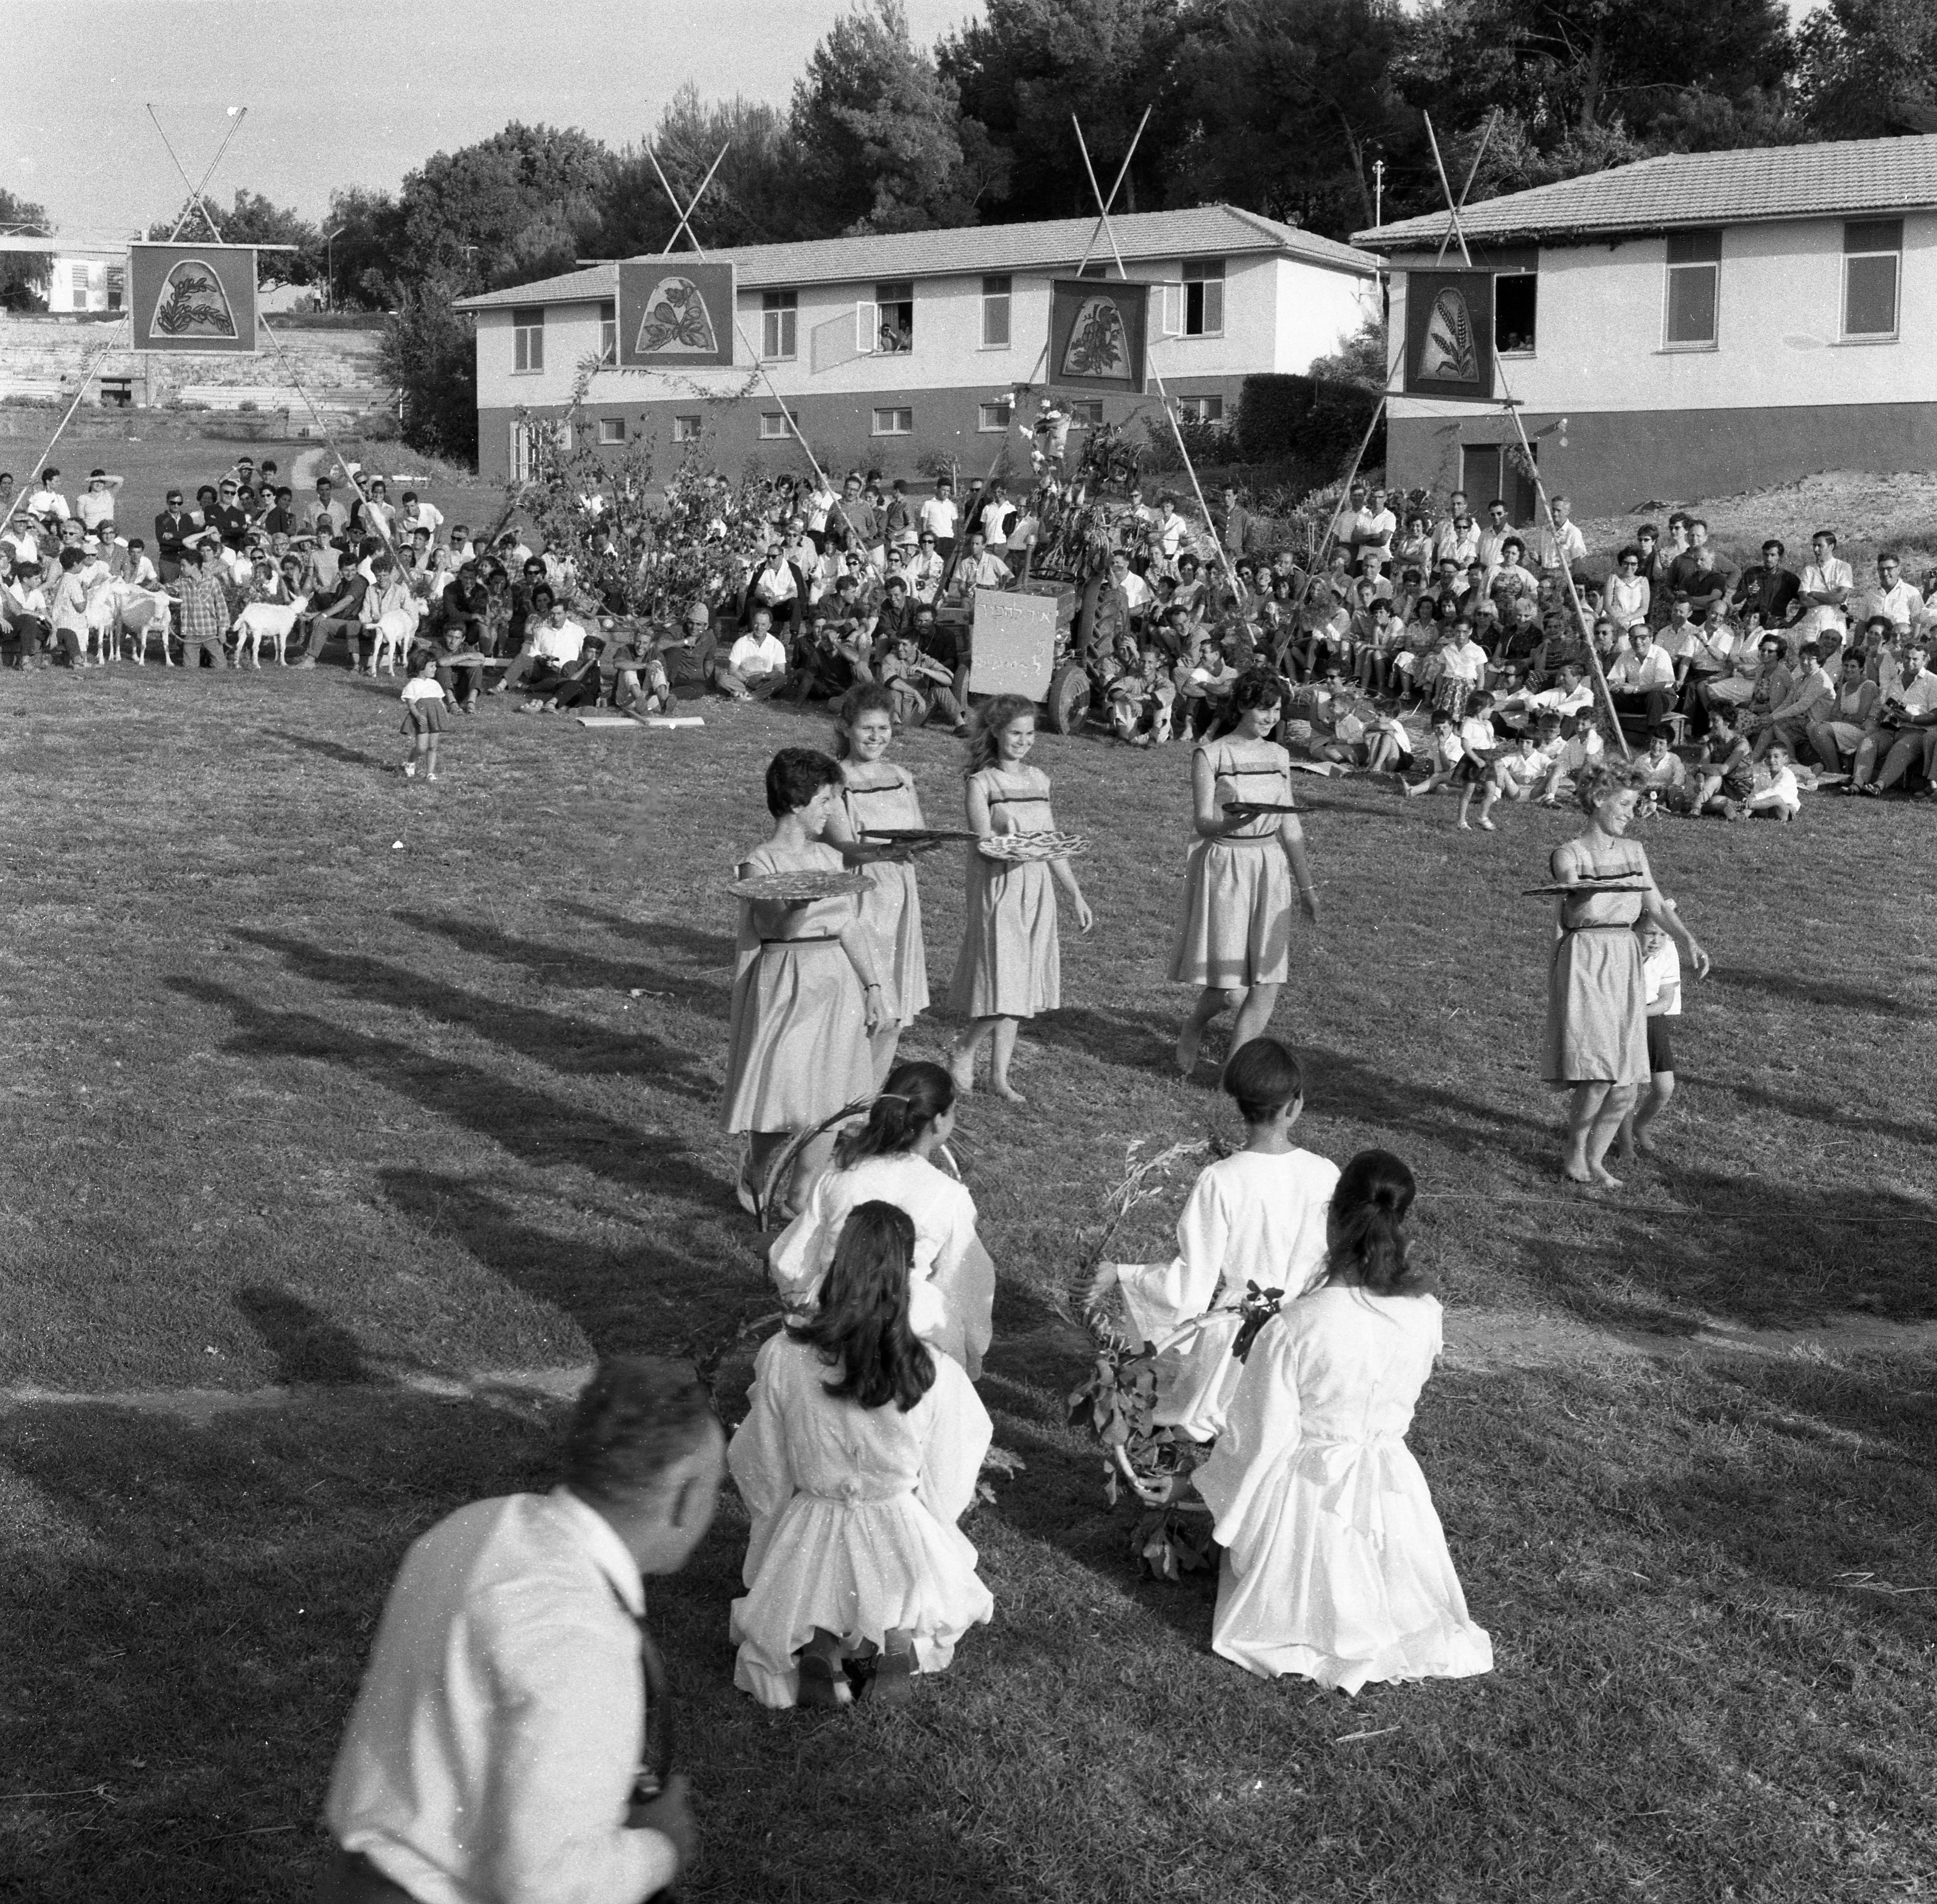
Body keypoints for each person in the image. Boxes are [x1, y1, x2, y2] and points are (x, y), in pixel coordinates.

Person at [320, 1357, 719, 1904]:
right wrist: (661, 1847)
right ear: (686, 1496)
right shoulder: (583, 1632)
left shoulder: (472, 1528)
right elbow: (544, 1888)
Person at [1189, 1149, 1493, 1690]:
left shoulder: (1297, 1326)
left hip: (1311, 1490)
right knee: (1395, 1581)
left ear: (1332, 1220)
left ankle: (1305, 1615)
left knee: (1289, 1582)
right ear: (1400, 1224)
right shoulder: (1425, 1314)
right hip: (1392, 1487)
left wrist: (1224, 1507)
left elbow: (1261, 1438)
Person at [730, 1201, 994, 1711]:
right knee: (902, 1571)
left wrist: (773, 1514)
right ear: (905, 1274)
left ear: (839, 1263)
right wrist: (937, 1517)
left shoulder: (785, 1355)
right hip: (893, 1513)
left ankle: (823, 1647)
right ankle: (891, 1638)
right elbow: (956, 1454)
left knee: (810, 1577)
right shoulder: (928, 1368)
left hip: (815, 1511)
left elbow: (762, 1454)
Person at [1089, 1037, 1337, 1441]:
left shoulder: (1222, 1180)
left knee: (1207, 1415)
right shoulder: (1326, 1173)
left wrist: (1124, 1273)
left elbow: (1192, 1283)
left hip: (1237, 1335)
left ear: (1240, 1106)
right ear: (1295, 1105)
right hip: (1308, 1331)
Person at [725, 748, 885, 1216]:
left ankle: (800, 1197)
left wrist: (873, 988)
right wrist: (799, 903)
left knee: (831, 1098)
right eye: (825, 800)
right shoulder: (760, 864)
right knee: (787, 1094)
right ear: (796, 803)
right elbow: (777, 929)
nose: (832, 811)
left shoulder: (829, 858)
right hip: (789, 981)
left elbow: (850, 926)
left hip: (836, 981)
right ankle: (757, 1169)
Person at [768, 1062, 995, 1378]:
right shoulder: (949, 1196)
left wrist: (803, 1306)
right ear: (938, 1120)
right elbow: (964, 1283)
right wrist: (969, 1350)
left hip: (831, 1310)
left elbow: (793, 1261)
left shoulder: (838, 1173)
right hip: (905, 1326)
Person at [1542, 763, 1710, 1189]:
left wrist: (1688, 941)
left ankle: (1597, 1160)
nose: (1630, 814)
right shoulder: (1569, 853)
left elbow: (1655, 905)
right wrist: (1582, 890)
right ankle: (1574, 1155)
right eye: (1625, 804)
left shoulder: (1635, 852)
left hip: (1625, 958)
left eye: (1634, 805)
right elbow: (1574, 901)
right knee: (1598, 1072)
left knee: (1626, 1084)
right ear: (1599, 800)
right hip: (1586, 959)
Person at [1170, 673, 1319, 1078]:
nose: (1270, 717)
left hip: (1270, 866)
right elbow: (1203, 822)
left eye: (1276, 709)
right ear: (1240, 707)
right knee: (1231, 990)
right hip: (1227, 866)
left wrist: (1306, 886)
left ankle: (1234, 1073)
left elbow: (1290, 826)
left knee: (1268, 978)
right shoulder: (1211, 755)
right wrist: (1235, 824)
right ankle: (1193, 1027)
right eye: (1262, 708)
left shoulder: (1279, 755)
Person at [946, 694, 1093, 1104]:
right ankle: (965, 1048)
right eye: (1015, 733)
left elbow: (1050, 843)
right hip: (999, 886)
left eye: (1030, 734)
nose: (1024, 741)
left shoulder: (1039, 780)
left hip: (1036, 886)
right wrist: (1005, 835)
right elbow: (983, 843)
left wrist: (1075, 894)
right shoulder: (982, 783)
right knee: (1007, 981)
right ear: (995, 732)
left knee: (1022, 982)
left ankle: (1000, 1077)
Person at [822, 686, 933, 1080]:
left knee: (897, 1006)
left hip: (899, 895)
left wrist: (922, 844)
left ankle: (868, 1099)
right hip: (860, 894)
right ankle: (845, 1096)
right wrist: (887, 852)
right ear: (845, 729)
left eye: (883, 728)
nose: (876, 737)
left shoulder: (901, 777)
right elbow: (845, 847)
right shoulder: (836, 781)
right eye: (867, 728)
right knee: (864, 1000)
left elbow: (917, 832)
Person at [1615, 919, 1681, 1160]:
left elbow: (1665, 1000)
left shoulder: (1664, 958)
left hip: (1652, 1020)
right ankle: (1625, 1144)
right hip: (1623, 1023)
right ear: (1634, 931)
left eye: (1663, 935)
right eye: (1650, 933)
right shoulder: (1621, 956)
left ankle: (1640, 1125)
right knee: (1628, 1088)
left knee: (1665, 1088)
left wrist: (1639, 1012)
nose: (1657, 940)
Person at [399, 650, 449, 781]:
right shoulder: (413, 685)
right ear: (421, 668)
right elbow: (411, 704)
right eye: (432, 666)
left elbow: (440, 701)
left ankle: (430, 774)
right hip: (423, 719)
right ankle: (410, 762)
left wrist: (444, 715)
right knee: (422, 747)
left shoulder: (435, 684)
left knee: (433, 746)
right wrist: (417, 716)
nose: (435, 669)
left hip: (435, 718)